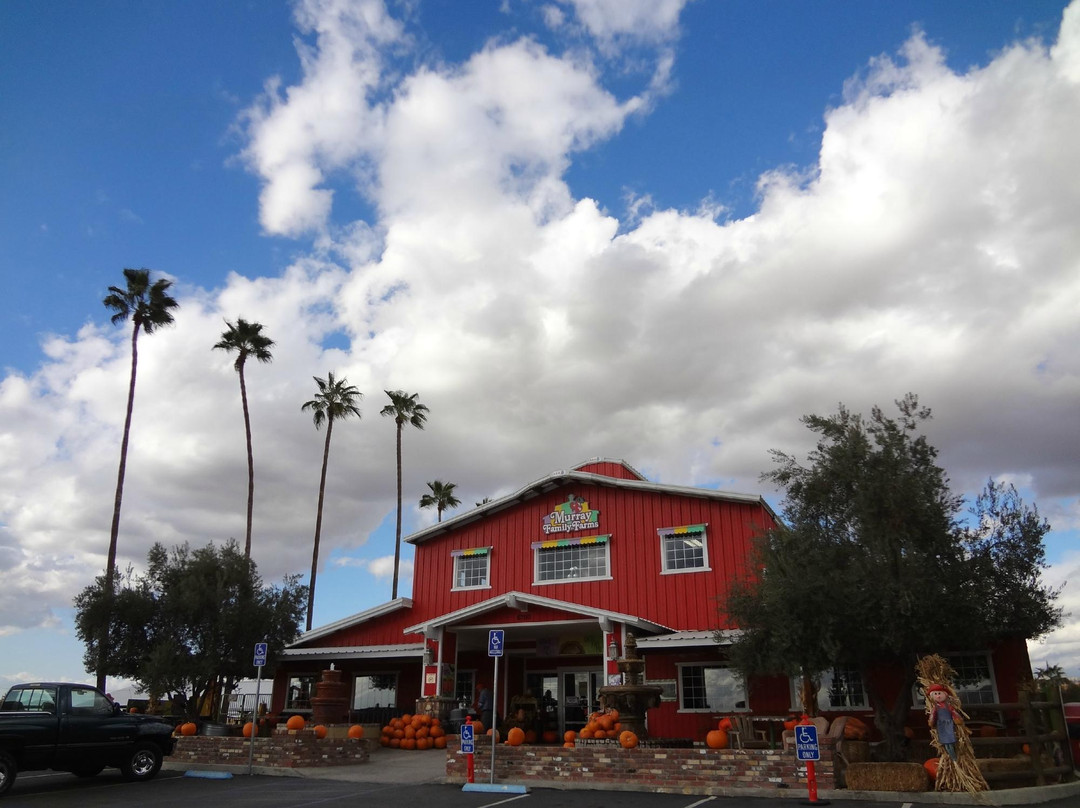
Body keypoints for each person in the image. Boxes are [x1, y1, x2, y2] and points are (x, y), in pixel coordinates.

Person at [928, 684, 961, 760]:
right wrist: (931, 721)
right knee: (946, 744)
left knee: (950, 741)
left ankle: (954, 757)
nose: (938, 696)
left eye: (939, 693)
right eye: (935, 694)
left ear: (944, 694)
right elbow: (933, 716)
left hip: (949, 724)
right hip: (941, 726)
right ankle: (952, 757)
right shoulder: (935, 708)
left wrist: (957, 719)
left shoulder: (948, 706)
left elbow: (954, 713)